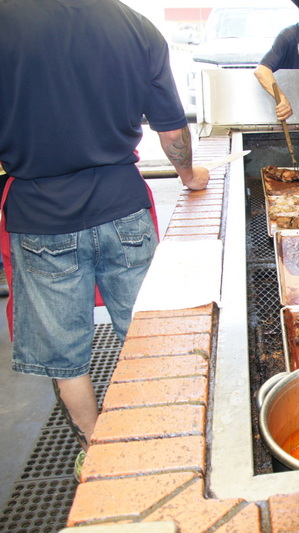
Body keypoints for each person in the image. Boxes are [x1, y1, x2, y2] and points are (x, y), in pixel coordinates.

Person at [0, 0, 210, 470]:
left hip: (40, 216)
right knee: (147, 333)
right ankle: (167, 439)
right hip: (123, 207)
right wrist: (189, 176)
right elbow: (172, 127)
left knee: (65, 353)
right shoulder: (134, 25)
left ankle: (97, 455)